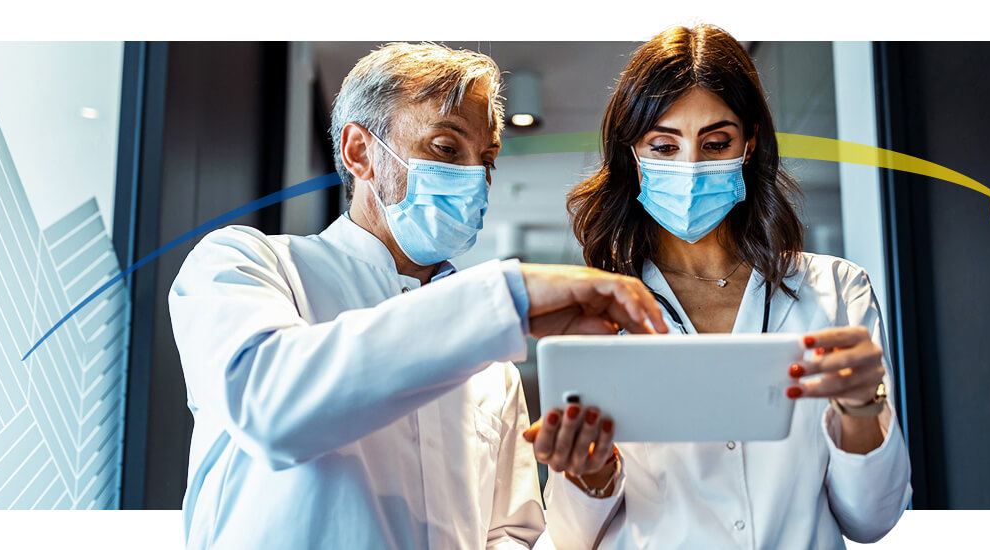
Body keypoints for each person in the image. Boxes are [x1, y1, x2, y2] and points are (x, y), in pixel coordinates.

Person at [168, 42, 667, 549]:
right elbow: (271, 407)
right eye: (446, 149)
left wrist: (594, 481)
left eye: (487, 160)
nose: (474, 178)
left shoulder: (493, 364)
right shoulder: (245, 264)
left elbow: (511, 536)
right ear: (359, 152)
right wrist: (513, 294)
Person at [525, 25, 912, 549]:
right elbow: (571, 541)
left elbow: (873, 520)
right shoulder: (595, 314)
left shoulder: (837, 292)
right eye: (664, 145)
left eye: (716, 142)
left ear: (748, 144)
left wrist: (862, 407)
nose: (691, 167)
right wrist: (589, 474)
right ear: (632, 155)